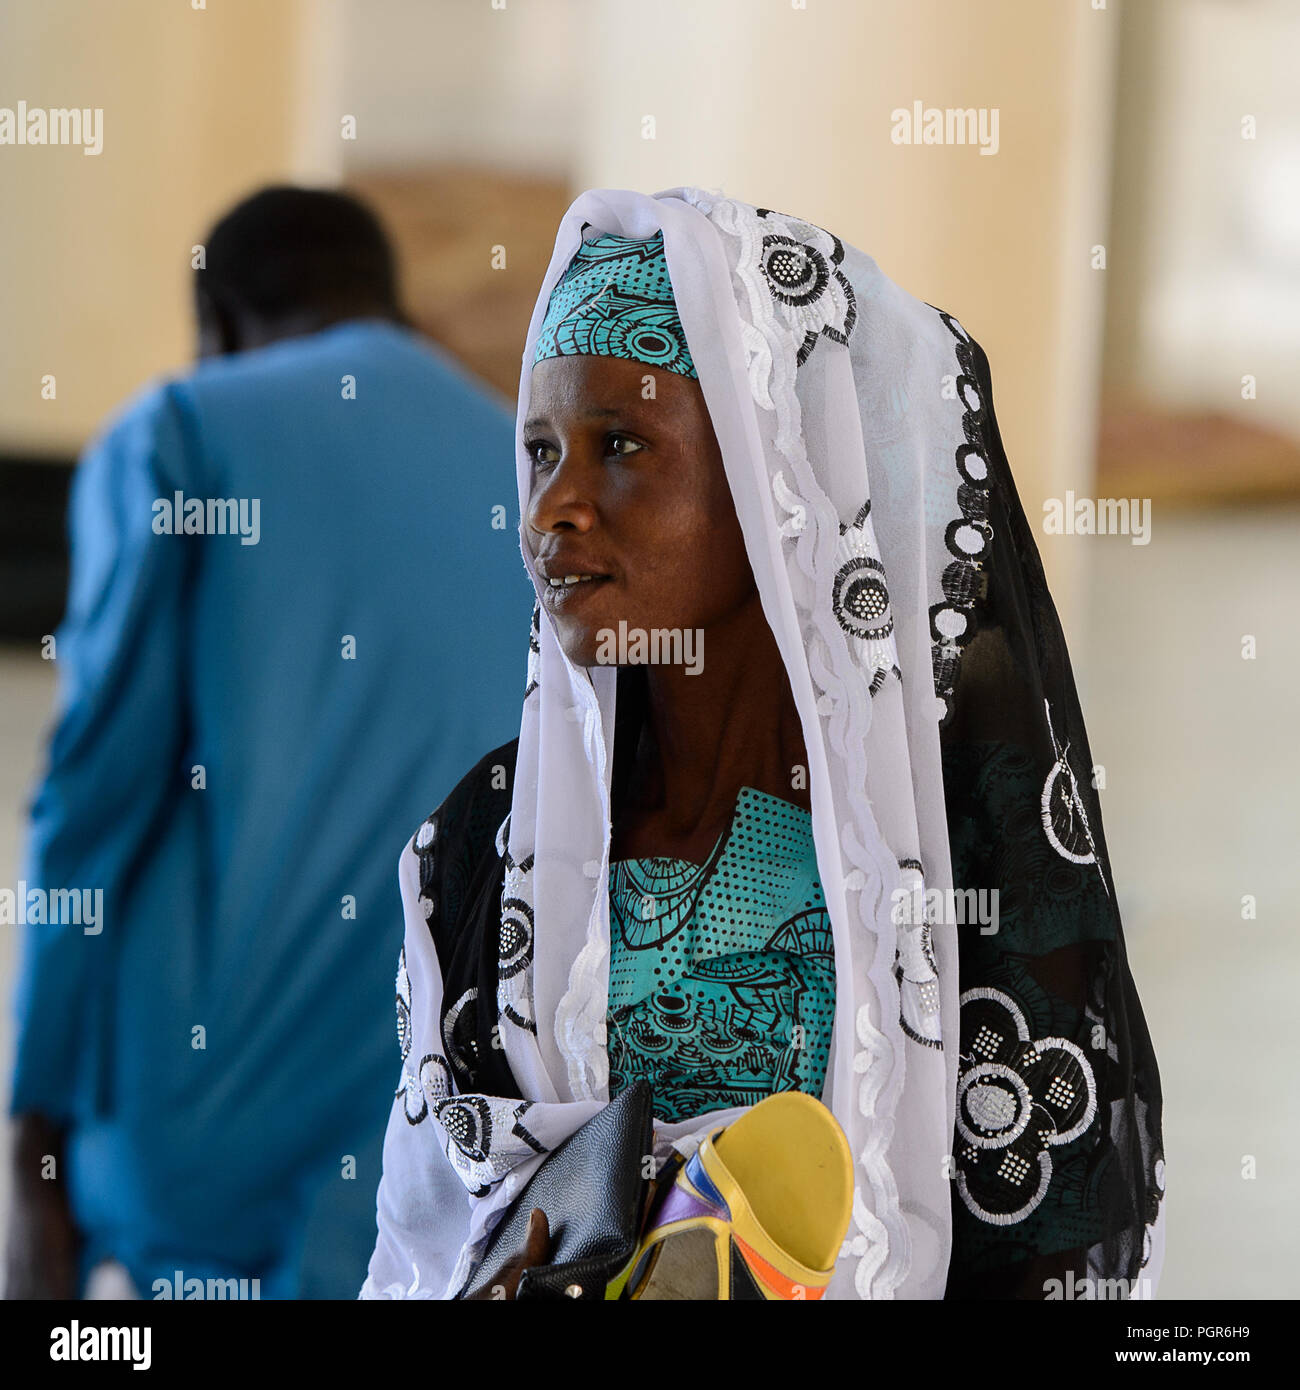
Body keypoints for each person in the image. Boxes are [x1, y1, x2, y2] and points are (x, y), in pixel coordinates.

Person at [361, 187, 1165, 1301]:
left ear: (775, 476)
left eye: (622, 445)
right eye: (540, 451)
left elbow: (1047, 1222)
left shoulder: (948, 839)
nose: (554, 508)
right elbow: (426, 1229)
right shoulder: (483, 839)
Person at [6, 187, 533, 1299]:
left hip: (188, 1141)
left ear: (220, 324)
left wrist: (29, 1123)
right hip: (427, 1152)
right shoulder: (536, 476)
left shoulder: (183, 428)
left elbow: (91, 794)